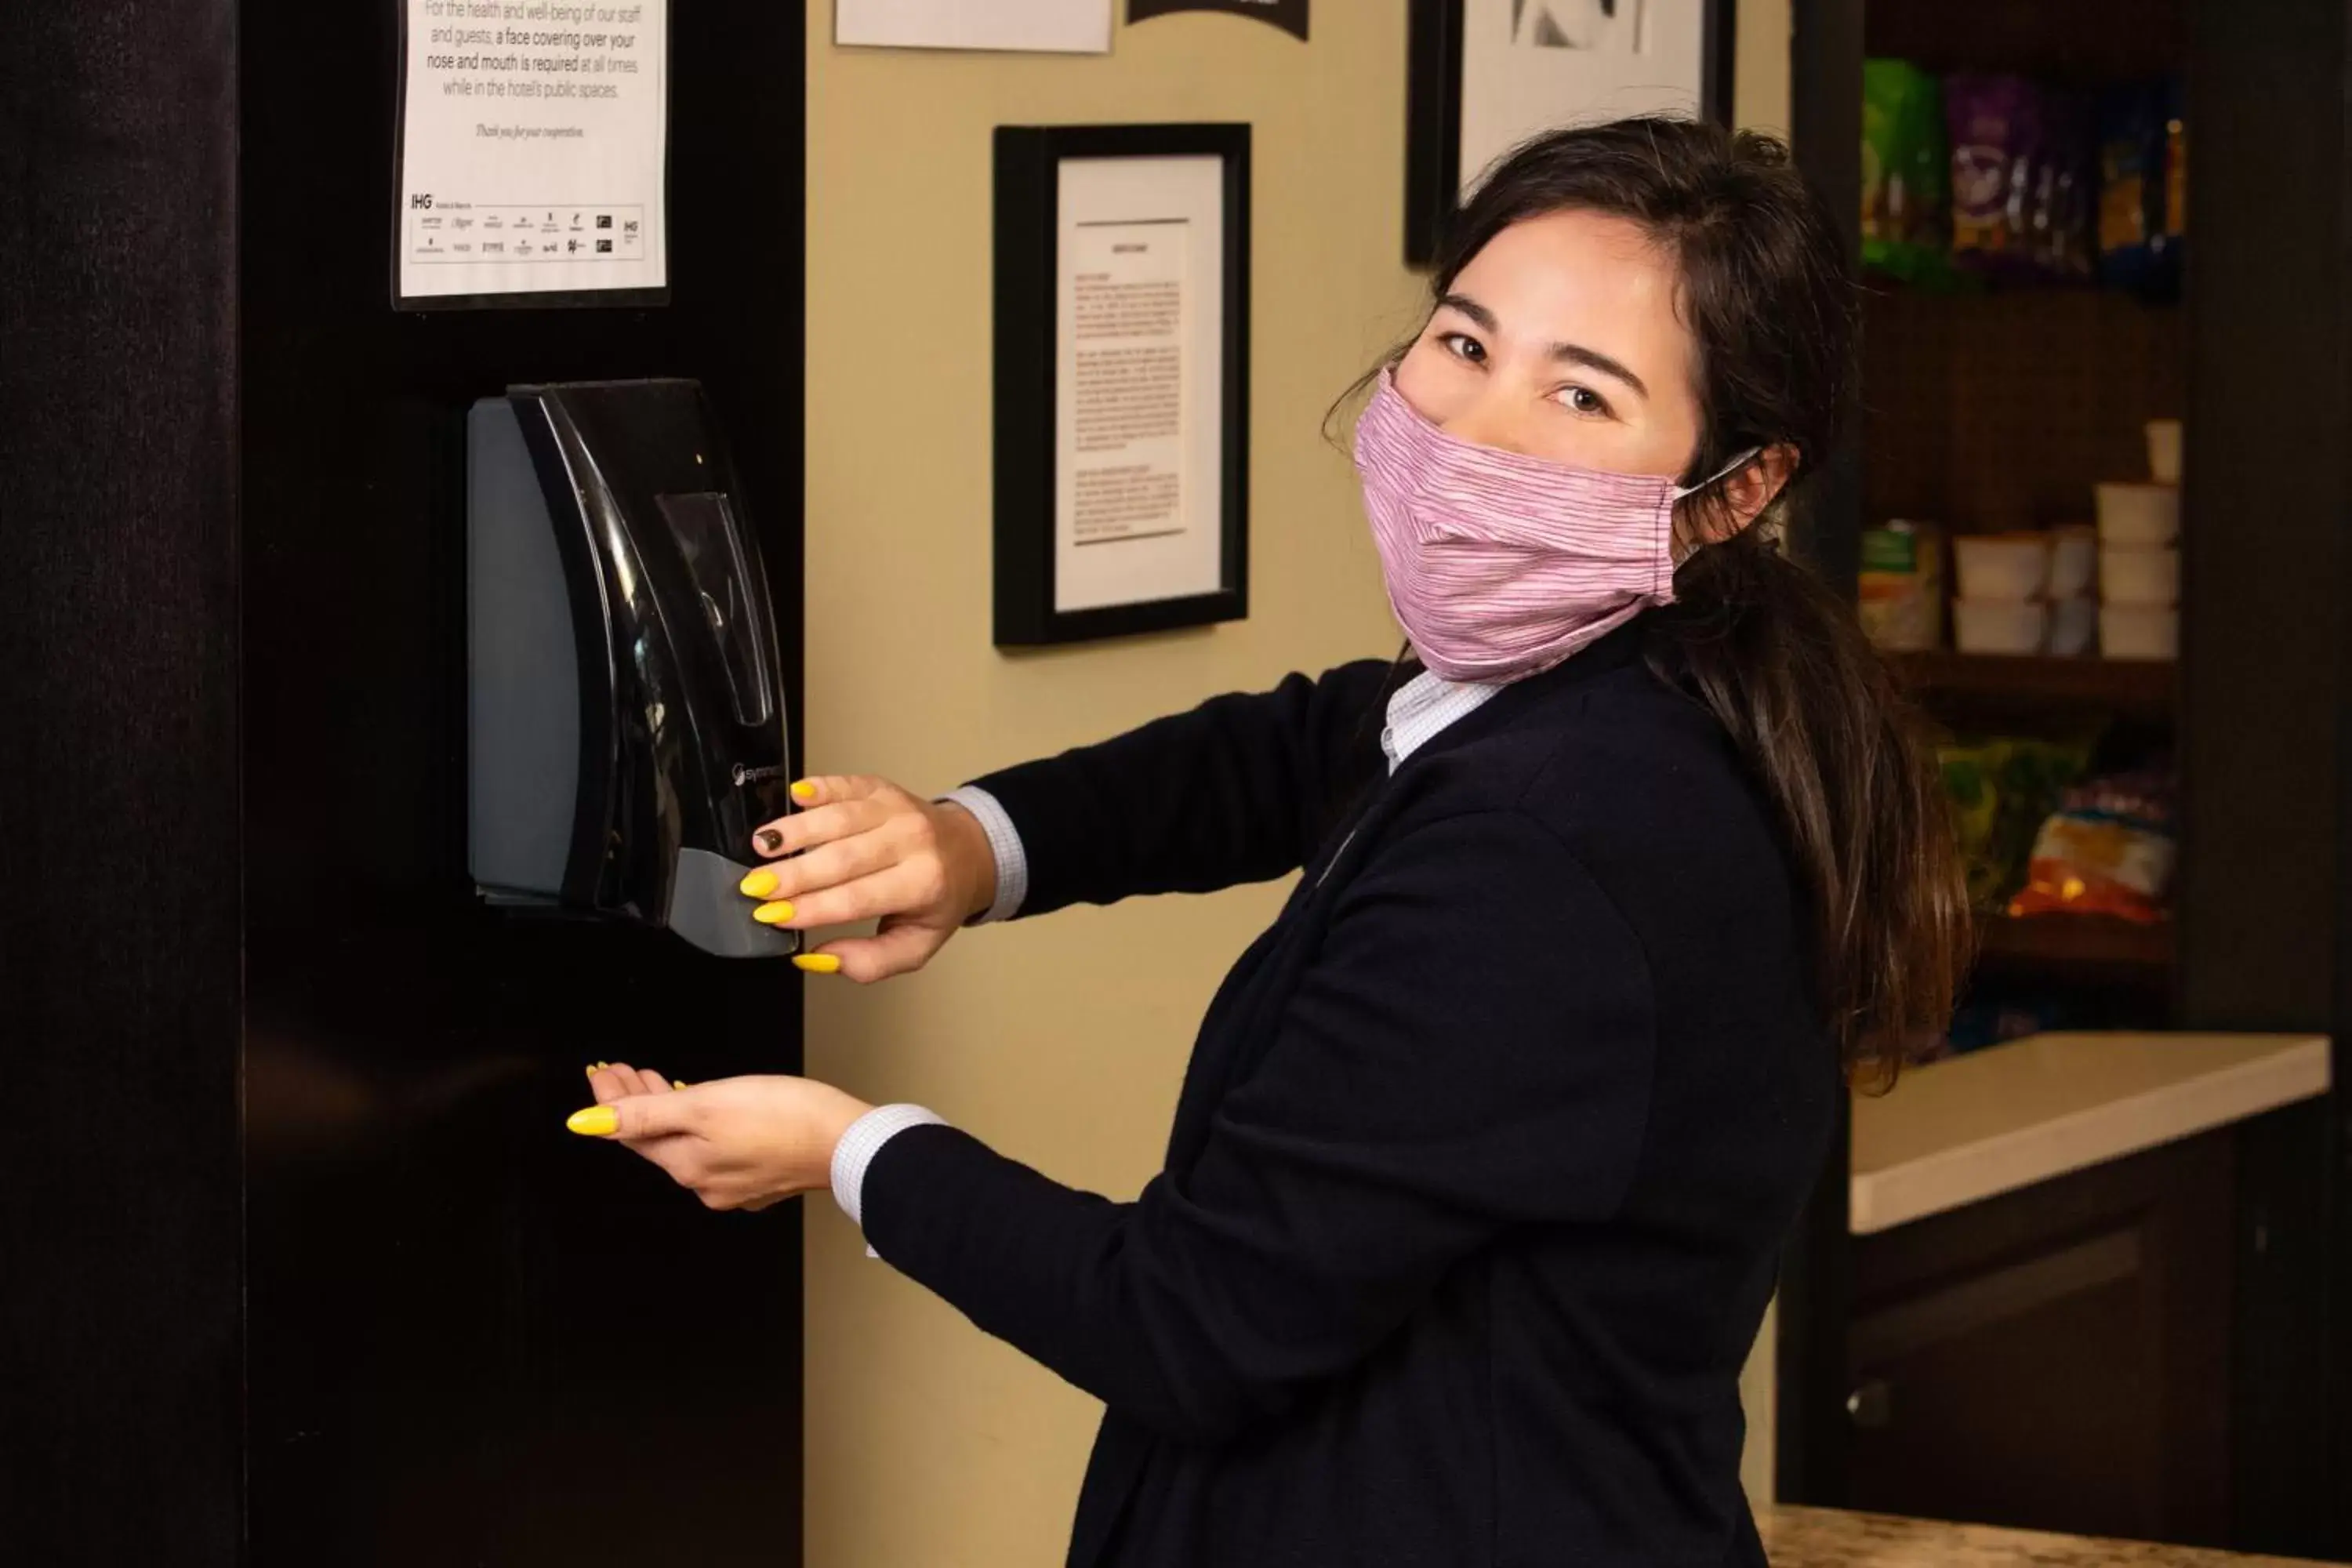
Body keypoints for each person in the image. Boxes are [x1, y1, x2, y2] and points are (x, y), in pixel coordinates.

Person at [567, 116, 1967, 1566]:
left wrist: (846, 1147)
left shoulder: (1547, 851)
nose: (1471, 429)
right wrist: (971, 846)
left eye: (1585, 398)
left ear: (1737, 488)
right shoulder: (1625, 697)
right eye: (1468, 345)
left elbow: (1186, 1322)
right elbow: (1311, 742)